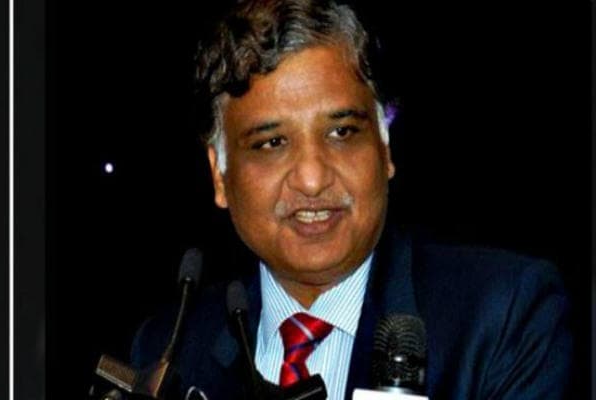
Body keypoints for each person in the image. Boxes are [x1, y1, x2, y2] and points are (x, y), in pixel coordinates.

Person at [131, 0, 572, 398]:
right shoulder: (168, 350)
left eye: (341, 132)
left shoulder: (503, 315)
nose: (311, 178)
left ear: (385, 148)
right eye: (271, 143)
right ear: (219, 175)